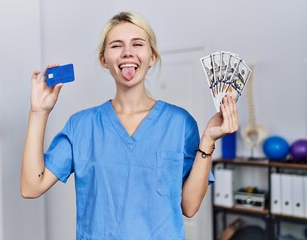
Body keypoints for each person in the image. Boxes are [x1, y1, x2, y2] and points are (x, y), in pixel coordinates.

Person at [21, 11, 238, 239]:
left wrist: (208, 141)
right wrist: (38, 113)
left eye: (137, 44)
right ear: (103, 60)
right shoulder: (81, 126)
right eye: (116, 45)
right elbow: (31, 187)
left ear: (152, 56)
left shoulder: (180, 123)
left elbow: (190, 207)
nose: (127, 52)